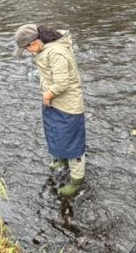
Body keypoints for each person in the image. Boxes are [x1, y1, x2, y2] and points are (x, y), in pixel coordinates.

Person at [14, 24, 87, 198]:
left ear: (35, 42)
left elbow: (62, 83)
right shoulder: (43, 50)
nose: (28, 52)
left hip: (68, 106)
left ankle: (77, 180)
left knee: (73, 143)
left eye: (27, 48)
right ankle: (62, 159)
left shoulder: (56, 53)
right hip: (54, 104)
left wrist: (47, 96)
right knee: (56, 133)